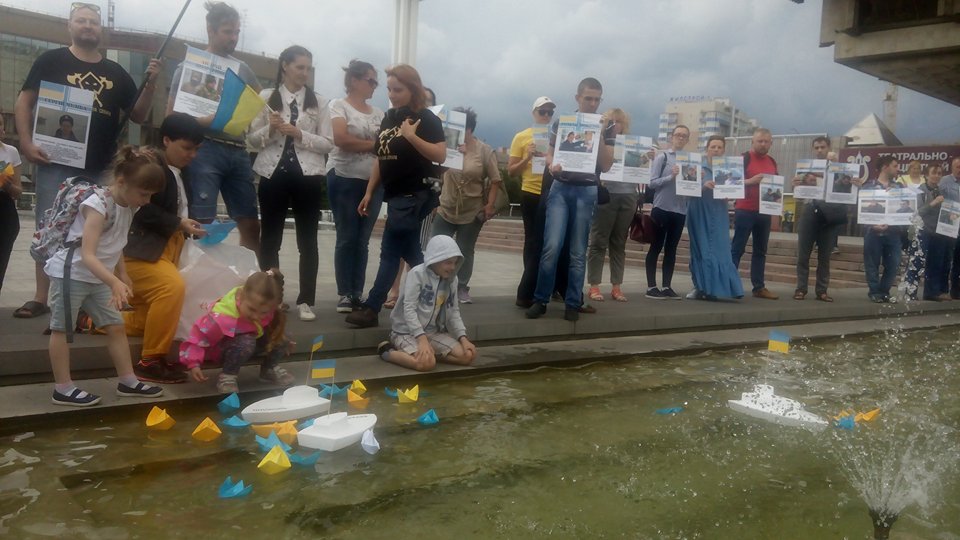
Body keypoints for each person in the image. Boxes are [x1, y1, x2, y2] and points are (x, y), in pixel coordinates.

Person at [13, 2, 160, 319]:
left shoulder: (117, 73)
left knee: (100, 230)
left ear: (100, 30)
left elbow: (139, 114)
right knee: (51, 226)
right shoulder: (50, 60)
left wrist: (150, 84)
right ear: (70, 26)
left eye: (93, 21)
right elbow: (25, 102)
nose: (88, 25)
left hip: (102, 165)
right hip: (56, 160)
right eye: (81, 20)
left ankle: (86, 298)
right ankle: (43, 296)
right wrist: (25, 142)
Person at [46, 147, 166, 406]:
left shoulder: (129, 205)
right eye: (144, 194)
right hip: (72, 273)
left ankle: (128, 380)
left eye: (150, 196)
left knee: (115, 326)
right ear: (121, 182)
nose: (146, 201)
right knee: (62, 330)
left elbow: (116, 241)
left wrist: (123, 273)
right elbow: (88, 254)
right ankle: (63, 388)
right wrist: (114, 281)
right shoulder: (97, 205)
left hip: (98, 277)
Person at [345, 64, 446, 328]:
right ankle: (442, 293)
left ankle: (371, 307)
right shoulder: (390, 118)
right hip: (395, 193)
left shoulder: (427, 118)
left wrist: (412, 137)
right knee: (411, 251)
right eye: (389, 88)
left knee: (390, 250)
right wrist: (370, 191)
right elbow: (382, 156)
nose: (391, 94)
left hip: (415, 192)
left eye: (398, 89)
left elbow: (440, 154)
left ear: (413, 89)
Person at [166, 2, 262, 255]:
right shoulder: (186, 67)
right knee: (202, 222)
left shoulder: (244, 69)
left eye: (236, 33)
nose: (233, 38)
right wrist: (202, 122)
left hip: (238, 150)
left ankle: (247, 285)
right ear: (210, 29)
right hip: (204, 149)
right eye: (227, 32)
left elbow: (258, 103)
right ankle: (200, 281)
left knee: (251, 223)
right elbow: (171, 117)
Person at [247, 45, 333, 322]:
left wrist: (299, 133)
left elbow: (327, 143)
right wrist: (271, 129)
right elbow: (250, 140)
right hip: (272, 174)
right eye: (300, 67)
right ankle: (273, 296)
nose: (304, 73)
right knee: (270, 238)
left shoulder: (320, 102)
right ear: (285, 66)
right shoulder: (265, 97)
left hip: (308, 177)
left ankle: (306, 299)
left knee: (308, 240)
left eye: (308, 68)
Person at [124, 113, 207, 384]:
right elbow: (141, 208)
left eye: (196, 149)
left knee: (161, 315)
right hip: (141, 251)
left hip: (172, 248)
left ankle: (92, 322)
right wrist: (179, 222)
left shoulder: (183, 172)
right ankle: (150, 361)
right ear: (166, 140)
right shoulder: (150, 164)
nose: (192, 154)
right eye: (186, 148)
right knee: (171, 289)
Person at [525, 77, 615, 321]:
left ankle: (573, 303)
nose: (593, 103)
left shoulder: (607, 125)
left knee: (577, 250)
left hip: (587, 190)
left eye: (597, 99)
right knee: (551, 246)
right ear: (578, 98)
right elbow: (551, 153)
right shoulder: (563, 121)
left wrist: (600, 134)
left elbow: (606, 165)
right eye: (588, 98)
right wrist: (551, 164)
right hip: (561, 188)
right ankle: (540, 299)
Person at [327, 60, 385, 314]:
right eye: (370, 80)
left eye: (376, 82)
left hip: (373, 180)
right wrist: (373, 145)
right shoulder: (338, 105)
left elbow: (385, 148)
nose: (375, 86)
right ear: (354, 80)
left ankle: (356, 293)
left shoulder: (380, 113)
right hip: (344, 176)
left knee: (362, 240)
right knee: (347, 236)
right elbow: (340, 139)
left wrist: (368, 145)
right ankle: (344, 293)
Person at [180, 270, 295, 393]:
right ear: (240, 296)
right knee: (246, 342)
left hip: (251, 341)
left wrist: (283, 343)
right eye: (251, 309)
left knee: (283, 336)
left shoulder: (264, 307)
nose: (256, 316)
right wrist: (193, 363)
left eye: (264, 312)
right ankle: (228, 375)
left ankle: (269, 369)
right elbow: (199, 336)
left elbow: (274, 327)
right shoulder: (223, 316)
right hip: (225, 349)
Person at [431, 107, 502, 304]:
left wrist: (489, 205)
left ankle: (461, 286)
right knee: (436, 245)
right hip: (445, 206)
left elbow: (496, 179)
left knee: (465, 249)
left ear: (470, 129)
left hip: (471, 210)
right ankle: (436, 284)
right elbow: (435, 171)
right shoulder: (446, 145)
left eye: (462, 128)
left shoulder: (484, 150)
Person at [378, 235, 477, 371]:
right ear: (435, 260)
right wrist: (421, 339)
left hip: (433, 333)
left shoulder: (452, 280)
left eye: (455, 262)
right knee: (426, 364)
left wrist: (463, 338)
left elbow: (453, 311)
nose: (453, 267)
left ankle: (429, 354)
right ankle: (387, 352)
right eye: (448, 262)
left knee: (467, 356)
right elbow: (409, 309)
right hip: (406, 332)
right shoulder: (417, 274)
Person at [384, 87, 439, 309]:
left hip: (425, 193)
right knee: (399, 242)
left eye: (428, 101)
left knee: (416, 244)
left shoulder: (435, 128)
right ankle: (394, 289)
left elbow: (439, 165)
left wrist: (456, 156)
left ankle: (412, 292)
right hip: (402, 192)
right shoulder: (401, 123)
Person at [509, 96, 556, 308]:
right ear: (533, 113)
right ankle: (529, 287)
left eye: (549, 112)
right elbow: (511, 171)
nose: (546, 116)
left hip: (553, 191)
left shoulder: (557, 137)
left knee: (552, 242)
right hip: (531, 192)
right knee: (533, 242)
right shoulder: (522, 137)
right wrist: (527, 157)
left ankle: (550, 285)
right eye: (542, 112)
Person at [587, 108, 637, 302]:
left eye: (618, 122)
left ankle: (617, 286)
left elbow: (638, 170)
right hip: (606, 194)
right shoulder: (599, 141)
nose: (614, 125)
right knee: (598, 241)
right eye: (610, 122)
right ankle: (594, 285)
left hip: (628, 195)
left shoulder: (632, 145)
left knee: (619, 243)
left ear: (624, 125)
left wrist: (645, 159)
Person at [686, 135, 744, 301]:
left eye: (719, 147)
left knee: (721, 249)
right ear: (707, 149)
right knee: (700, 248)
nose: (716, 150)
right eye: (713, 147)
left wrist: (730, 193)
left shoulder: (730, 169)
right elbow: (686, 190)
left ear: (724, 150)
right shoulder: (696, 166)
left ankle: (725, 287)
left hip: (718, 212)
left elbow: (734, 191)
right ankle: (699, 287)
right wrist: (703, 186)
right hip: (699, 210)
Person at [793, 136, 847, 302]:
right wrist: (795, 184)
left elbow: (845, 187)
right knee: (803, 255)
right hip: (810, 210)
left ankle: (822, 291)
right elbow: (798, 193)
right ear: (813, 149)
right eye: (816, 147)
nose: (819, 150)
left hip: (829, 213)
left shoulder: (839, 166)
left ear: (829, 147)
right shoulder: (807, 167)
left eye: (822, 147)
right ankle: (801, 289)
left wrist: (842, 170)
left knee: (824, 256)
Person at [730, 127, 779, 300]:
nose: (763, 144)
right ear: (753, 141)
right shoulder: (744, 158)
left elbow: (776, 190)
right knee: (737, 248)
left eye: (766, 141)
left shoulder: (772, 162)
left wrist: (775, 213)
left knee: (760, 251)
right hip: (745, 210)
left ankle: (759, 287)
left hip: (764, 212)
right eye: (760, 141)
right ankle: (729, 283)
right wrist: (750, 181)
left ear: (771, 143)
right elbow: (729, 182)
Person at [644, 125, 690, 300]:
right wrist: (671, 176)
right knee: (656, 246)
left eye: (684, 136)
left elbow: (691, 187)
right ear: (672, 137)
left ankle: (666, 286)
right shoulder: (662, 157)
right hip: (662, 208)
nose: (680, 138)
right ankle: (651, 286)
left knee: (672, 249)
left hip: (680, 210)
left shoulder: (690, 161)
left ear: (687, 139)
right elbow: (652, 183)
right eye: (678, 135)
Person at [862, 155, 905, 303]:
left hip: (893, 232)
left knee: (893, 264)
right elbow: (862, 211)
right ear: (885, 167)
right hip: (873, 232)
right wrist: (872, 225)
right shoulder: (868, 186)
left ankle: (884, 291)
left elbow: (904, 210)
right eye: (895, 165)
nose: (898, 168)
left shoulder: (899, 187)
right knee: (872, 263)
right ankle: (874, 292)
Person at [915, 165, 952, 301]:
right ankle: (911, 292)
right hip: (924, 230)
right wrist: (933, 203)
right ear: (926, 175)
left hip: (940, 231)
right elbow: (918, 211)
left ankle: (932, 292)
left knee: (937, 262)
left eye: (939, 173)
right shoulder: (920, 190)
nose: (936, 176)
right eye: (934, 173)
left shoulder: (942, 191)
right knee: (918, 262)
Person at [0, 122, 22, 297]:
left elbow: (18, 191)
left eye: (0, 124)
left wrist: (8, 185)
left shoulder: (11, 152)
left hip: (5, 209)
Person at [942, 157, 960, 298]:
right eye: (957, 167)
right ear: (952, 167)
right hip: (949, 226)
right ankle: (942, 290)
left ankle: (956, 291)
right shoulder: (944, 181)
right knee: (946, 258)